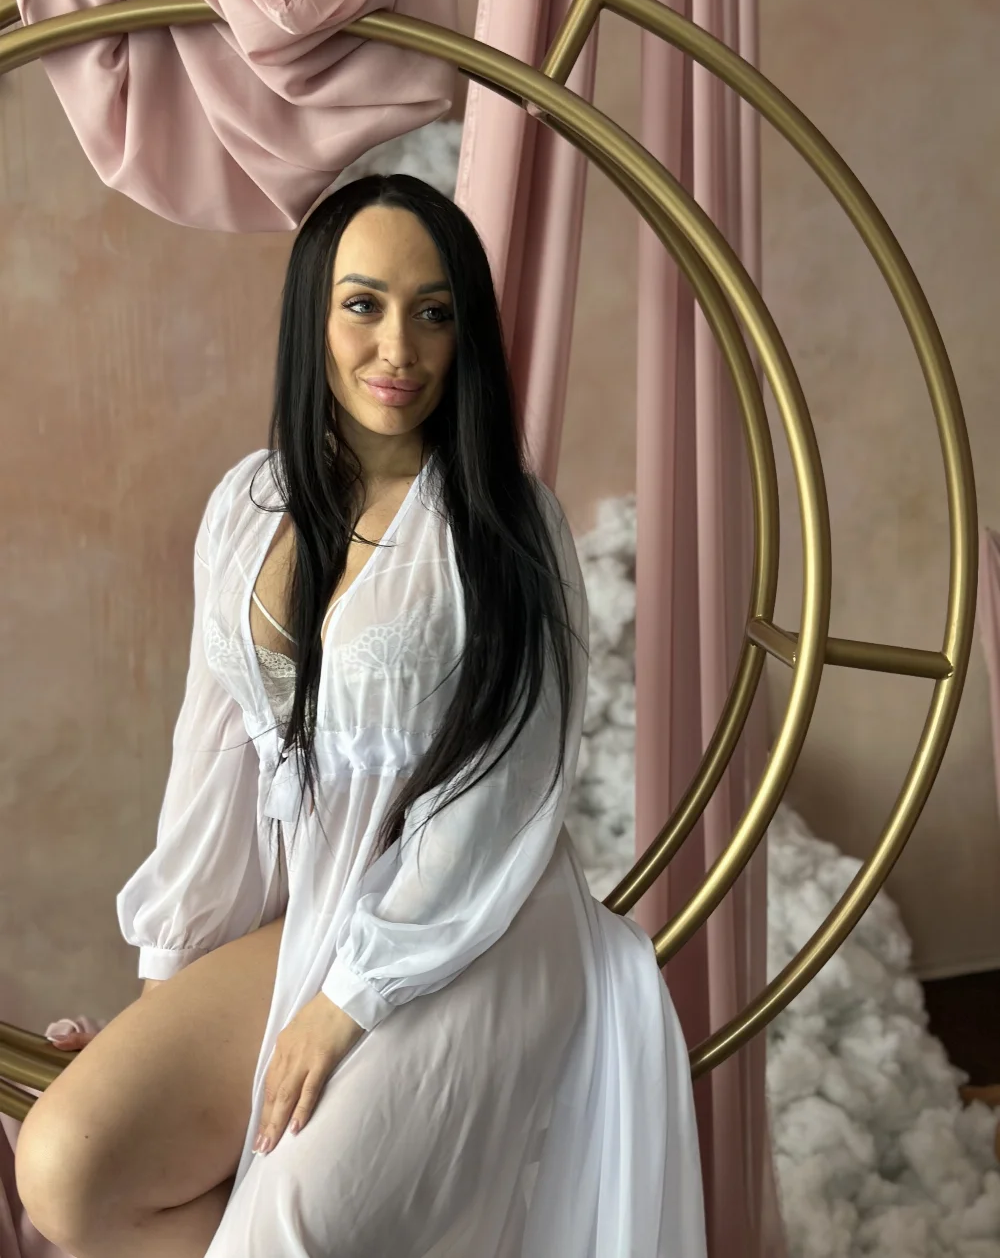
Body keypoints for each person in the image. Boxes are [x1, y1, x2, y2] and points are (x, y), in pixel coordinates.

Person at [14, 174, 706, 1257]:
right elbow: (212, 771)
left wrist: (344, 1002)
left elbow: (503, 799)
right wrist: (163, 996)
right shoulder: (245, 509)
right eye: (363, 305)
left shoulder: (506, 526)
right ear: (314, 316)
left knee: (282, 1232)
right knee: (67, 1171)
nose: (399, 348)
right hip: (315, 912)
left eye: (434, 312)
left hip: (475, 927)